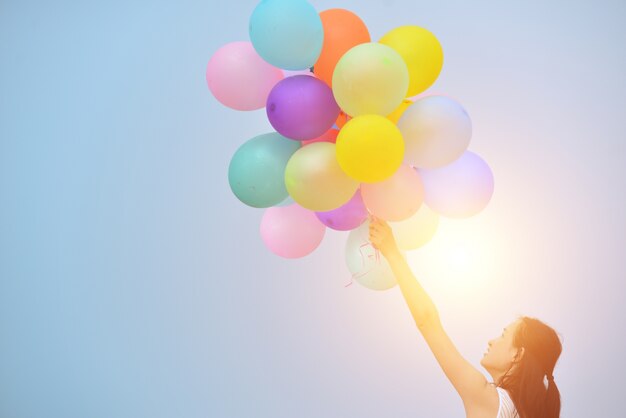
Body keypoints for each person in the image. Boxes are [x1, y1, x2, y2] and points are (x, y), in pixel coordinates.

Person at [368, 216, 562, 418]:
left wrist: (392, 252)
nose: (491, 341)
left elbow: (427, 321)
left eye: (503, 335)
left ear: (518, 355)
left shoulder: (490, 400)